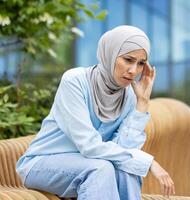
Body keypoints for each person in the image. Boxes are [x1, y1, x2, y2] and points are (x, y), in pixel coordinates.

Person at [16, 25, 175, 200]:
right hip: (43, 163)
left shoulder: (129, 96)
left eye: (141, 64)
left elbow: (124, 149)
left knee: (127, 170)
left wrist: (142, 103)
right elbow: (88, 145)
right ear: (110, 54)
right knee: (101, 168)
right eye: (128, 60)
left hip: (91, 165)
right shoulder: (75, 81)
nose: (133, 71)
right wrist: (149, 162)